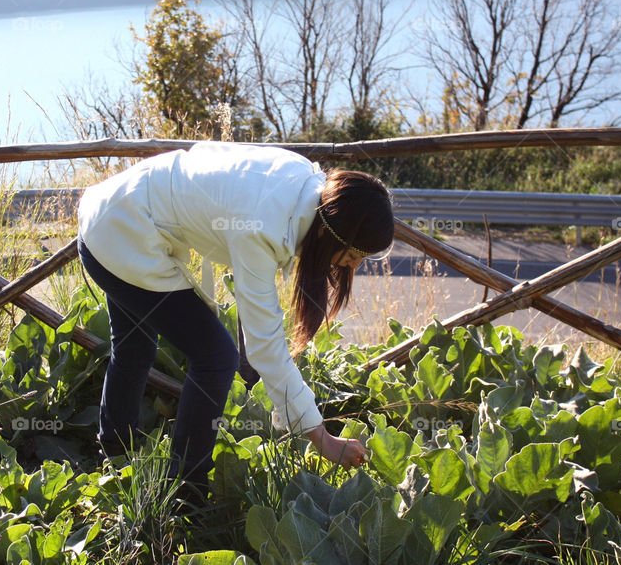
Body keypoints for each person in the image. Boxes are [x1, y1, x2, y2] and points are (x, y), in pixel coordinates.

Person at [76, 141, 394, 495]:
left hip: (113, 211)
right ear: (328, 231)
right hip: (124, 231)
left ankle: (116, 456)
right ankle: (186, 495)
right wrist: (322, 439)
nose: (353, 266)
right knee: (214, 358)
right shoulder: (263, 225)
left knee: (135, 345)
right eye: (353, 255)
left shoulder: (301, 180)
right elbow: (266, 349)